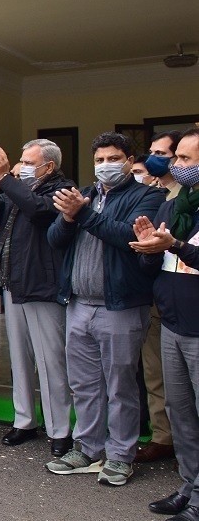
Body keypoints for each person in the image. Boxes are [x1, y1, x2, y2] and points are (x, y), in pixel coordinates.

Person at [45, 132, 164, 486]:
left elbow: (130, 239)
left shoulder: (148, 196)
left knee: (120, 385)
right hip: (79, 304)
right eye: (98, 160)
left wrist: (81, 214)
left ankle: (120, 455)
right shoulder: (85, 194)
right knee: (84, 385)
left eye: (112, 158)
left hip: (120, 306)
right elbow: (54, 240)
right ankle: (88, 448)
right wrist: (68, 218)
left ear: (129, 160)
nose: (104, 166)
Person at [0, 140, 75, 457]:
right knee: (19, 359)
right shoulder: (14, 188)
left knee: (51, 361)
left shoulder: (61, 188)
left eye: (29, 162)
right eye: (22, 161)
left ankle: (60, 430)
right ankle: (24, 421)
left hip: (42, 284)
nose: (23, 166)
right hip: (13, 281)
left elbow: (39, 211)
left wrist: (8, 180)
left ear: (50, 166)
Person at [132, 127, 199, 520]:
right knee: (182, 414)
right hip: (173, 324)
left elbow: (179, 249)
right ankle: (190, 487)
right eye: (178, 159)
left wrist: (172, 244)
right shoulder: (175, 204)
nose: (177, 167)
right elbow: (154, 263)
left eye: (186, 160)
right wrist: (147, 247)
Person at [137, 131, 183, 464]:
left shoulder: (187, 197)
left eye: (165, 154)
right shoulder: (149, 194)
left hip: (186, 295)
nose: (156, 159)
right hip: (155, 294)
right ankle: (163, 437)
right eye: (151, 152)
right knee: (155, 371)